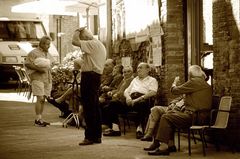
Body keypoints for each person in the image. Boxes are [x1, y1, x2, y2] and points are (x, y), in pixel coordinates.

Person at [146, 65, 212, 156]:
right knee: (170, 115)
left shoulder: (194, 82)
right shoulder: (203, 83)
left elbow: (174, 91)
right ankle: (170, 144)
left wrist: (174, 83)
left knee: (166, 117)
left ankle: (163, 147)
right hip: (201, 116)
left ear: (190, 75)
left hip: (195, 117)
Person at [72, 27, 106, 145]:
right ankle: (96, 136)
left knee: (89, 107)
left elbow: (74, 41)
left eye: (82, 39)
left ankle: (90, 137)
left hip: (90, 77)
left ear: (85, 37)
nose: (82, 42)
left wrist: (77, 31)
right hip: (94, 76)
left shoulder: (92, 43)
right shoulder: (97, 44)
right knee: (94, 107)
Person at [24, 35, 56, 127]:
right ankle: (37, 120)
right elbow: (27, 64)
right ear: (41, 44)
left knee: (43, 100)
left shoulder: (48, 53)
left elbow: (52, 63)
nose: (49, 46)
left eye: (49, 44)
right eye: (47, 44)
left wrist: (51, 65)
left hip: (47, 78)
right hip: (37, 78)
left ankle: (40, 119)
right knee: (40, 98)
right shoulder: (33, 53)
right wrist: (38, 68)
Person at [124, 62, 158, 139]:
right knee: (113, 103)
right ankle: (115, 128)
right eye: (138, 68)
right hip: (131, 99)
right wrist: (128, 98)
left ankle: (139, 129)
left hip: (143, 99)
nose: (138, 70)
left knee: (141, 104)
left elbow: (153, 92)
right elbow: (126, 91)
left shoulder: (152, 80)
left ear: (148, 70)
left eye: (140, 68)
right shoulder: (135, 80)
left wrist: (138, 99)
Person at [101, 66, 134, 136]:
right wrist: (112, 92)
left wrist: (116, 94)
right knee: (103, 104)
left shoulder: (132, 81)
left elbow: (125, 92)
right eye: (124, 72)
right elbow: (118, 90)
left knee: (112, 104)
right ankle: (108, 126)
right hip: (118, 100)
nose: (126, 73)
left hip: (126, 102)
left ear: (132, 72)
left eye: (128, 71)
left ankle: (116, 130)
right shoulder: (124, 80)